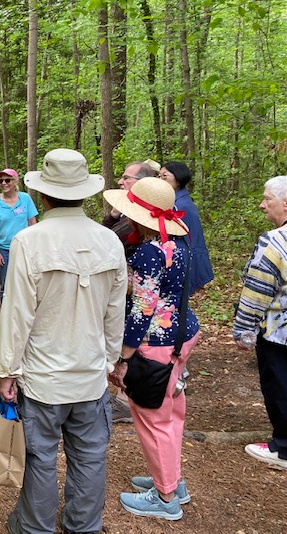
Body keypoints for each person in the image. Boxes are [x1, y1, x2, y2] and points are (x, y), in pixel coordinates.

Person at [0, 149, 127, 534]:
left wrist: (7, 372)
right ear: (84, 193)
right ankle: (83, 527)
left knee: (40, 456)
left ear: (44, 195)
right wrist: (112, 361)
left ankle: (35, 527)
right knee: (89, 458)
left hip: (43, 377)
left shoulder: (29, 241)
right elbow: (114, 312)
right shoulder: (109, 242)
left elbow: (16, 314)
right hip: (89, 376)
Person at [104, 177, 200, 521]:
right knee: (171, 412)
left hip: (154, 343)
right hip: (181, 334)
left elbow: (143, 308)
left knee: (153, 419)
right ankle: (173, 480)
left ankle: (165, 497)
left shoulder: (148, 251)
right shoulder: (179, 243)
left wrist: (123, 358)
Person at [233, 176, 287, 470]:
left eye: (268, 199)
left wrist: (244, 330)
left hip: (278, 333)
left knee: (279, 384)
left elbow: (257, 291)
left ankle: (283, 448)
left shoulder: (274, 242)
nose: (262, 204)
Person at [102, 161, 159, 425]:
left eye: (126, 178)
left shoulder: (151, 237)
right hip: (133, 294)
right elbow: (107, 235)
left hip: (143, 301)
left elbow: (110, 240)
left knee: (138, 342)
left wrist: (123, 356)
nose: (121, 181)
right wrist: (114, 215)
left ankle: (128, 397)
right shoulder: (129, 214)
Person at [0, 168, 38, 303]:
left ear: (15, 182)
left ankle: (24, 313)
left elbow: (33, 223)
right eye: (0, 181)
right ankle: (5, 316)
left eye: (7, 180)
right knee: (5, 284)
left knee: (27, 282)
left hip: (25, 248)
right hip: (5, 249)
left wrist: (36, 247)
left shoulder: (25, 199)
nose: (4, 183)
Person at [159, 162, 213, 295]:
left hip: (185, 262)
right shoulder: (177, 202)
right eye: (159, 176)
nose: (161, 180)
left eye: (164, 176)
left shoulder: (180, 206)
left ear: (178, 177)